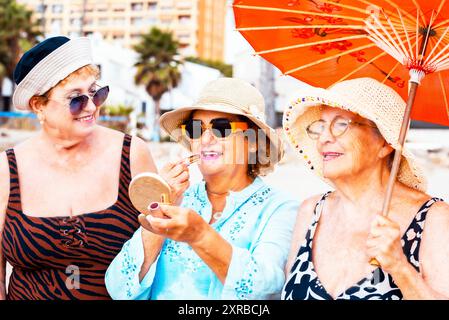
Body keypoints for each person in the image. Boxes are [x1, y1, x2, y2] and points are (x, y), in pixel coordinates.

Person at [105, 78, 299, 299]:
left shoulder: (281, 208)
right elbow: (118, 288)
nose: (206, 139)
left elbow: (265, 289)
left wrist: (200, 235)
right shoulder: (177, 199)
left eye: (221, 128)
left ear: (253, 140)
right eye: (196, 128)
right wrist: (160, 208)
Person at [0, 36, 157, 299]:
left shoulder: (132, 155)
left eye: (96, 93)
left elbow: (161, 248)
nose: (92, 107)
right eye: (75, 99)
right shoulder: (6, 170)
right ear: (39, 106)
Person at [281, 77, 449, 300]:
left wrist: (400, 267)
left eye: (341, 125)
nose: (323, 138)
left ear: (384, 144)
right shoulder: (311, 211)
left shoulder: (432, 218)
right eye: (320, 126)